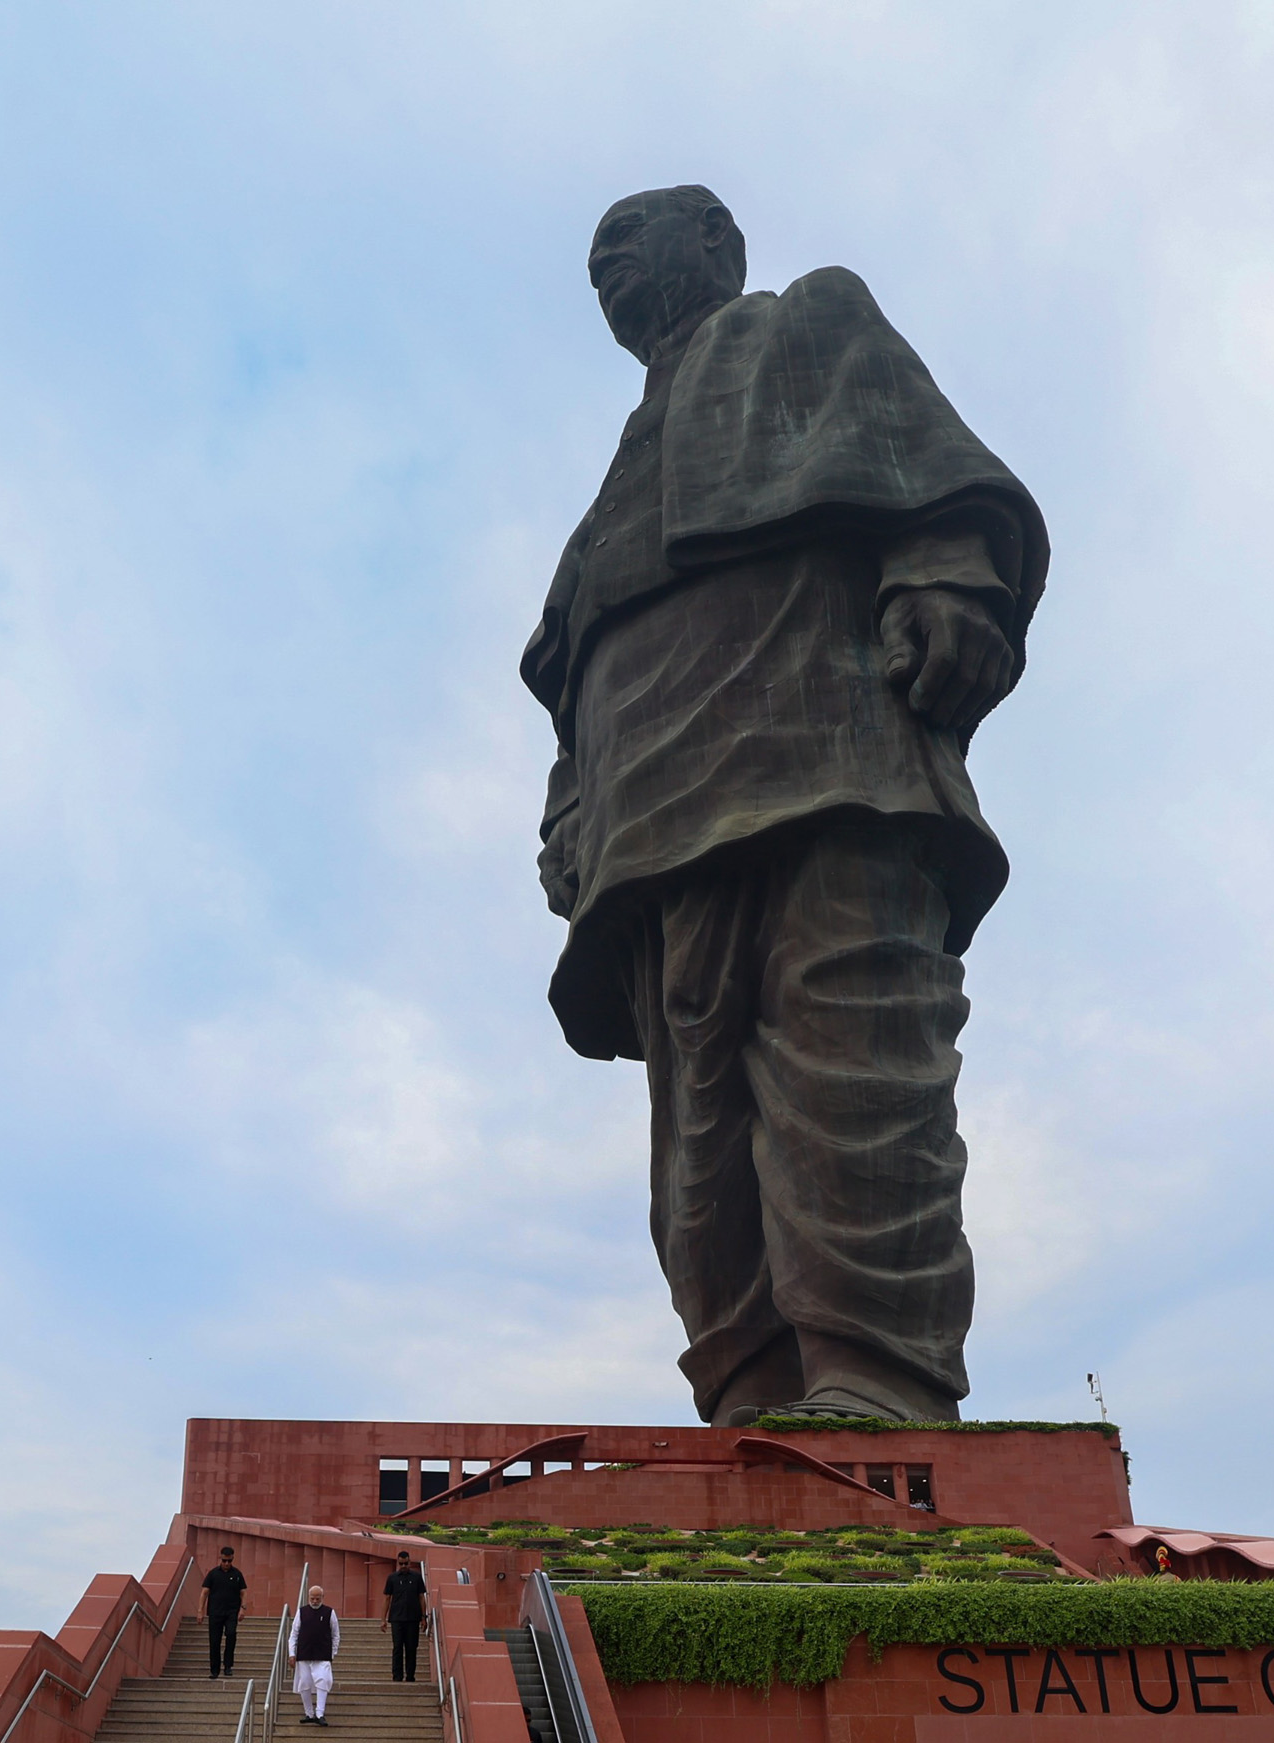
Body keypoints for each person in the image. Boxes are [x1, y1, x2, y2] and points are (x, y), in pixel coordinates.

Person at [521, 186, 1048, 1425]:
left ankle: (877, 1378)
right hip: (654, 813)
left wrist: (944, 575)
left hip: (823, 755)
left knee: (850, 1061)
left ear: (713, 240)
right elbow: (573, 675)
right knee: (697, 1137)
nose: (605, 262)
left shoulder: (807, 322)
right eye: (592, 255)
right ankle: (751, 1396)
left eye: (627, 236)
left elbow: (929, 472)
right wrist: (569, 810)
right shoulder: (612, 484)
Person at [289, 1582, 339, 1725]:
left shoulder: (329, 1612)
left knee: (323, 1681)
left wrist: (332, 1653)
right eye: (312, 1598)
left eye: (318, 1598)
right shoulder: (301, 1612)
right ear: (308, 1597)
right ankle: (309, 1713)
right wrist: (292, 1653)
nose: (315, 1601)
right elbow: (294, 1634)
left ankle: (320, 1713)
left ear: (323, 1597)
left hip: (323, 1655)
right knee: (304, 1682)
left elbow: (336, 1635)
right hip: (304, 1653)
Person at [200, 1544, 247, 1678]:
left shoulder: (237, 1574)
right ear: (220, 1558)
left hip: (231, 1612)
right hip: (215, 1612)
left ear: (232, 1559)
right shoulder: (213, 1574)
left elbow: (243, 1592)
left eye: (229, 1561)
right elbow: (204, 1592)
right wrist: (200, 1610)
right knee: (214, 1641)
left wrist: (243, 1609)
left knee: (231, 1635)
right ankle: (214, 1670)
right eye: (224, 1560)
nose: (226, 1563)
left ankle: (228, 1666)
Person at [379, 1550, 425, 1683]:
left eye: (406, 1563)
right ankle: (397, 1676)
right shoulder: (392, 1578)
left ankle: (410, 1676)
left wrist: (423, 1617)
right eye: (401, 1564)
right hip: (397, 1618)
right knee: (397, 1648)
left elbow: (421, 1597)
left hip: (413, 1618)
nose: (403, 1566)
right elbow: (387, 1598)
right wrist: (383, 1619)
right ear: (398, 1563)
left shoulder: (416, 1577)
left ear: (409, 1562)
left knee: (411, 1648)